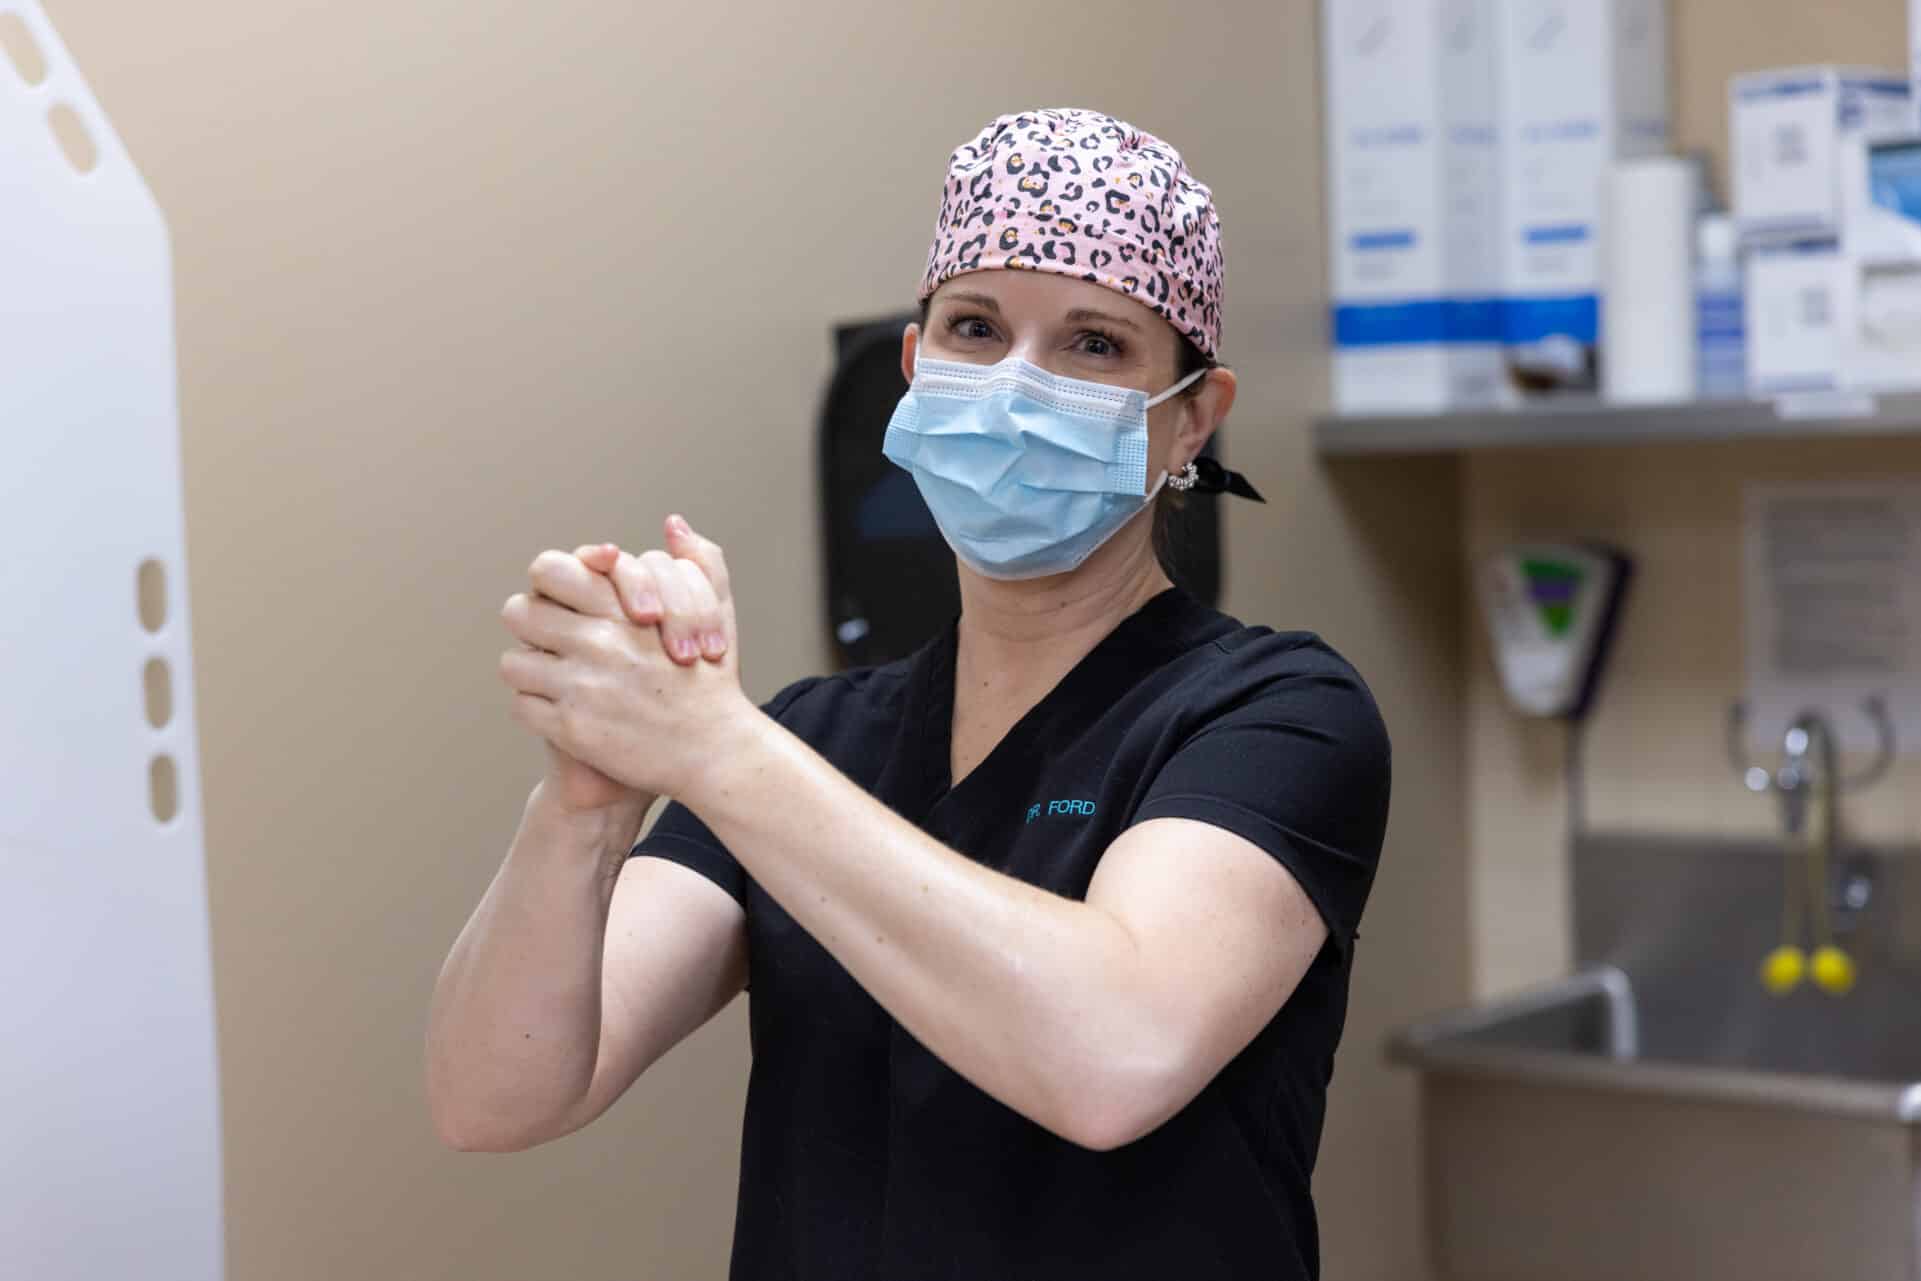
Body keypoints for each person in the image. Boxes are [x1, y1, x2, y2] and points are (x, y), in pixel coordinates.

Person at [426, 107, 1391, 1280]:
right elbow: (495, 1095)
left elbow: (1118, 1055)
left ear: (1191, 416)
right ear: (914, 366)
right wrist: (586, 797)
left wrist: (713, 750)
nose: (1016, 386)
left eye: (1093, 345)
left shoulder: (1273, 714)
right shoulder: (812, 740)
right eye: (974, 327)